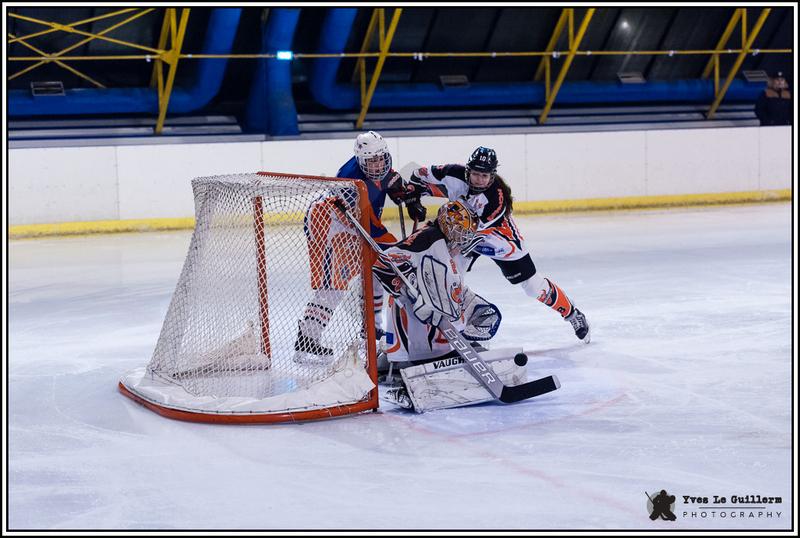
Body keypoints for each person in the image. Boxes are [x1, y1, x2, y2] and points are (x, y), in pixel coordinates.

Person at [397, 146, 590, 343]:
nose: (480, 179)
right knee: (451, 277)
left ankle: (573, 314)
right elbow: (417, 175)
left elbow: (469, 233)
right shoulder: (452, 172)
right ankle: (455, 328)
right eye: (476, 174)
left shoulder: (496, 198)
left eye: (485, 175)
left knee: (533, 287)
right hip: (462, 232)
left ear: (492, 175)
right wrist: (413, 196)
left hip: (496, 240)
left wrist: (443, 240)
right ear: (468, 171)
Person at [372, 201, 525, 412]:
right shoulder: (429, 238)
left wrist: (472, 305)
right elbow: (382, 264)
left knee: (476, 346)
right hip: (415, 345)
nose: (463, 238)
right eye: (460, 231)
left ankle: (434, 358)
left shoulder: (442, 244)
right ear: (447, 225)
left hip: (433, 340)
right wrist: (408, 291)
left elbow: (447, 286)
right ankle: (401, 368)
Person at [294, 131, 404, 361]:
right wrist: (391, 245)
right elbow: (367, 226)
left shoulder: (376, 167)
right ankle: (307, 339)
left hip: (349, 225)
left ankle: (371, 328)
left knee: (377, 271)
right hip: (327, 225)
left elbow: (390, 179)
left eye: (380, 158)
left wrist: (407, 195)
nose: (377, 165)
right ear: (361, 160)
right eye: (371, 161)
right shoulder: (350, 180)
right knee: (334, 284)